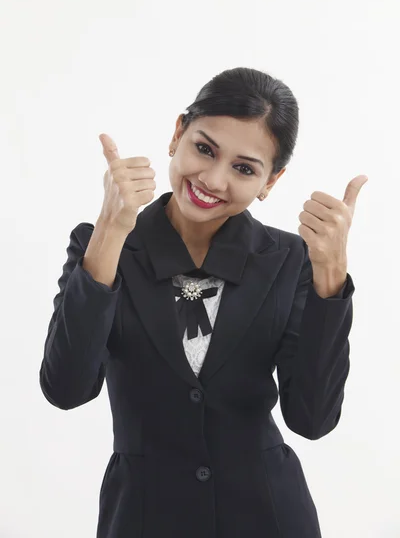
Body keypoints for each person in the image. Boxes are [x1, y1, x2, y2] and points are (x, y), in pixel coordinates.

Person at [39, 67, 366, 538]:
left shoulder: (289, 258)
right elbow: (65, 389)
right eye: (204, 149)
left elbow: (311, 420)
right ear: (178, 134)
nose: (212, 179)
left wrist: (331, 278)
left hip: (269, 516)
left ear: (270, 181)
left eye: (244, 168)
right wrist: (111, 232)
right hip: (143, 516)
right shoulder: (101, 245)